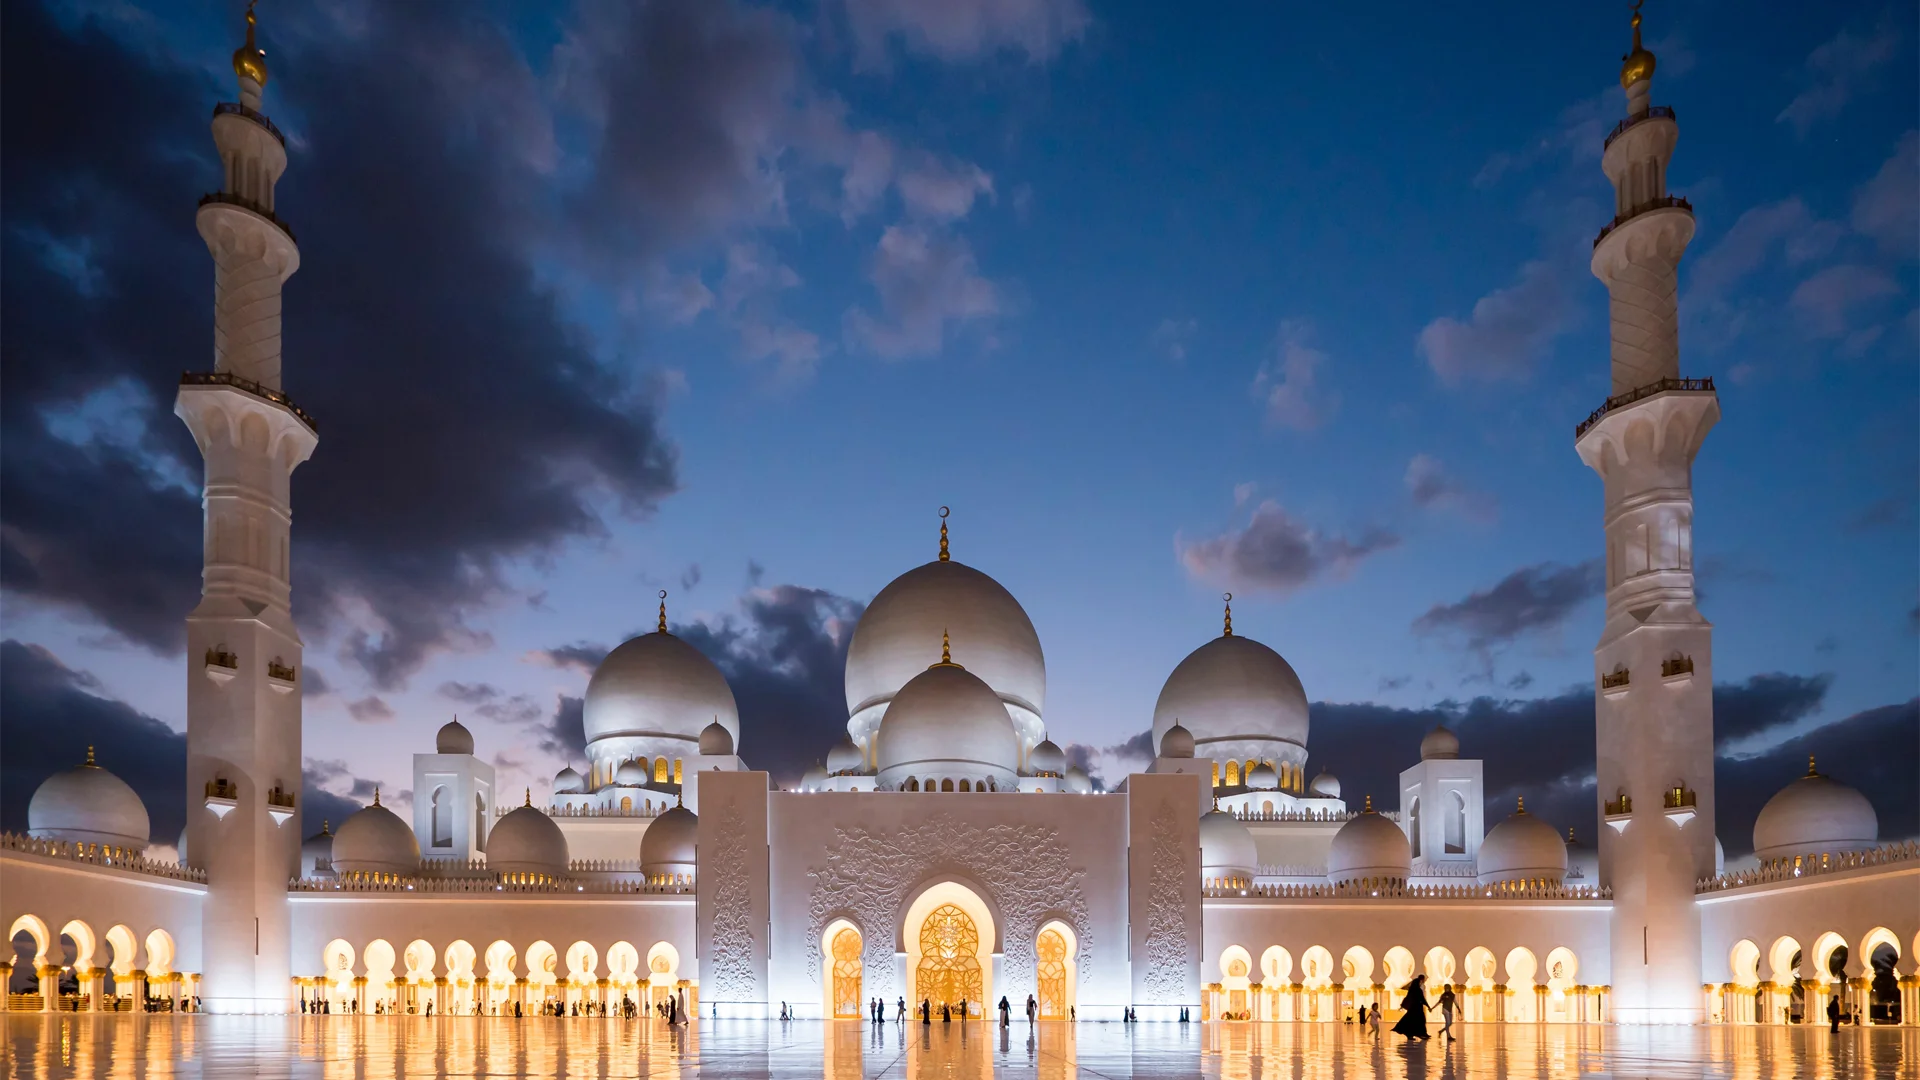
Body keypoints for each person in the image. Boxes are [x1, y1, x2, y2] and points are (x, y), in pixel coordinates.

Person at [1392, 975, 1431, 1041]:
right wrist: (1428, 1006)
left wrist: (1402, 1006)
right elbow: (1422, 999)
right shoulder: (1418, 990)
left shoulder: (1412, 990)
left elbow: (1407, 998)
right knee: (1420, 1021)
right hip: (1417, 1008)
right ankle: (1420, 1034)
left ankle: (1416, 1034)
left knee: (1411, 1021)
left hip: (1413, 1008)